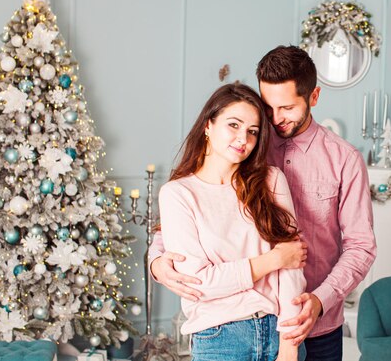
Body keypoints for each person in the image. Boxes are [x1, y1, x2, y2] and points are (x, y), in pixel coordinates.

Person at [150, 46, 376, 361]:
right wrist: (156, 260)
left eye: (286, 107)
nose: (275, 118)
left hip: (317, 324)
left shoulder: (344, 159)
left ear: (313, 97)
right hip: (241, 320)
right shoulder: (246, 145)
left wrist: (320, 300)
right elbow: (192, 210)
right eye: (268, 106)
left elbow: (361, 247)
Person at [157, 83, 307, 361]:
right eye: (233, 125)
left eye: (252, 131)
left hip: (278, 332)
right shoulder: (178, 194)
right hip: (220, 340)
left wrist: (289, 344)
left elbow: (292, 268)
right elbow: (198, 282)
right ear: (208, 126)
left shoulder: (271, 180)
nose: (243, 139)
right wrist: (272, 260)